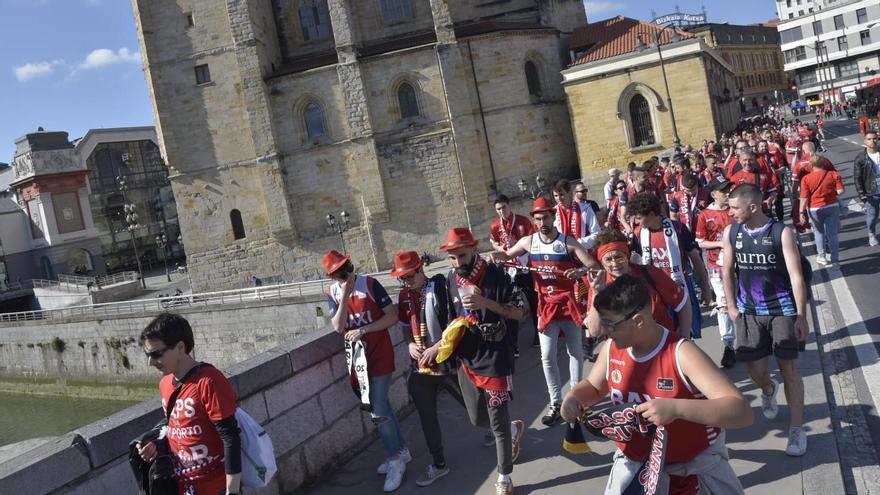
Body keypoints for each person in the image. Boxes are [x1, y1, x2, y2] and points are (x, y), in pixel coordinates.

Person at [561, 275, 753, 495]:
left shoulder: (681, 352)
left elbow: (741, 411)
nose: (603, 330)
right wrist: (574, 397)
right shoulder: (611, 349)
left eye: (610, 324)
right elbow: (594, 387)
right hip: (634, 466)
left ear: (638, 320)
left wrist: (676, 408)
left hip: (691, 469)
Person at [494, 197, 599, 426]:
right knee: (547, 357)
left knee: (575, 353)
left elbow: (592, 264)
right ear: (534, 220)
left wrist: (579, 271)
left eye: (546, 217)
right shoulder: (528, 242)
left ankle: (575, 398)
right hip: (546, 307)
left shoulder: (568, 242)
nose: (543, 221)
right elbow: (506, 256)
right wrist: (493, 257)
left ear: (553, 217)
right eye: (538, 218)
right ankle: (556, 401)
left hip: (568, 305)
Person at [722, 184, 809, 456]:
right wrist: (732, 307)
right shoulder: (731, 232)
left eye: (734, 208)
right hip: (748, 312)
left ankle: (796, 430)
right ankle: (769, 390)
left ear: (753, 207)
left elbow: (796, 276)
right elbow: (727, 272)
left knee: (789, 370)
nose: (730, 212)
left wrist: (801, 316)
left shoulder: (780, 232)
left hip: (781, 309)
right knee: (755, 371)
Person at [438, 228, 525, 495]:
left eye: (461, 256)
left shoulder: (498, 275)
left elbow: (520, 312)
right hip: (468, 358)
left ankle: (505, 478)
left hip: (496, 358)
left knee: (497, 425)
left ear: (474, 250)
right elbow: (452, 318)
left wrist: (484, 301)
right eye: (452, 258)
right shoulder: (451, 279)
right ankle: (511, 429)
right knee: (477, 419)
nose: (457, 263)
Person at [323, 250, 407, 492]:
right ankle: (401, 451)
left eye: (347, 267)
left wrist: (364, 329)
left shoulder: (370, 284)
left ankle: (395, 461)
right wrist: (345, 294)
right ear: (332, 276)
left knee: (377, 410)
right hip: (359, 361)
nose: (347, 273)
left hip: (379, 353)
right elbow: (338, 326)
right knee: (384, 406)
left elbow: (392, 317)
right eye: (340, 272)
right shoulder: (333, 293)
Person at [136, 313, 242, 495]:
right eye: (148, 355)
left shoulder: (209, 381)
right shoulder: (165, 384)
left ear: (180, 347)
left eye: (156, 354)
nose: (150, 362)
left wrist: (232, 491)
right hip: (182, 487)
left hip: (215, 487)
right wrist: (156, 444)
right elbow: (177, 426)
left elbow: (230, 437)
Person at [393, 251, 463, 487]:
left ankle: (503, 434)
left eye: (410, 277)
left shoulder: (440, 286)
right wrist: (410, 344)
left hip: (447, 362)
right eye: (402, 279)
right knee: (427, 418)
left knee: (473, 405)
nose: (406, 282)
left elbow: (456, 322)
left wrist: (438, 347)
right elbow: (404, 327)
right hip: (421, 368)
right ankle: (439, 463)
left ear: (421, 270)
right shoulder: (404, 296)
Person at [626, 192, 710, 339]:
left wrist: (705, 288)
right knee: (660, 335)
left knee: (685, 335)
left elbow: (696, 259)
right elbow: (633, 264)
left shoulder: (678, 229)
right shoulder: (638, 234)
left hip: (680, 286)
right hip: (655, 291)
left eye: (639, 218)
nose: (637, 222)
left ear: (652, 214)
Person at [585, 229, 691, 337]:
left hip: (660, 344)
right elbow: (594, 332)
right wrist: (596, 293)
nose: (614, 264)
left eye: (619, 257)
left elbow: (683, 302)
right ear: (601, 263)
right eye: (608, 259)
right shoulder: (599, 285)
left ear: (627, 256)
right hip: (624, 349)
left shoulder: (649, 273)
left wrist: (684, 336)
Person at [489, 195, 539, 354]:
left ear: (509, 206)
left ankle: (539, 333)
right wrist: (501, 249)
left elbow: (534, 242)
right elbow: (495, 243)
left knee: (533, 301)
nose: (502, 211)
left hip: (525, 267)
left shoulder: (523, 221)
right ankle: (513, 344)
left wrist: (517, 246)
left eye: (504, 207)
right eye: (498, 209)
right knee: (511, 305)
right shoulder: (496, 225)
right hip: (509, 269)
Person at [695, 177, 736, 367]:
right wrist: (720, 243)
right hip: (716, 266)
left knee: (741, 300)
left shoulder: (736, 210)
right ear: (713, 194)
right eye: (723, 190)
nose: (727, 192)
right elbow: (700, 242)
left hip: (740, 264)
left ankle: (747, 339)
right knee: (722, 303)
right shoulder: (705, 214)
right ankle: (728, 344)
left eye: (728, 189)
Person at [799, 155, 845, 265]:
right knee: (832, 234)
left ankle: (822, 256)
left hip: (815, 208)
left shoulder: (806, 179)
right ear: (824, 163)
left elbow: (804, 197)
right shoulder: (834, 174)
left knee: (819, 233)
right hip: (832, 206)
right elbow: (840, 191)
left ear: (811, 165)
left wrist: (801, 212)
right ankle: (835, 259)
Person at [552, 179, 600, 249]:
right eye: (555, 196)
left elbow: (597, 233)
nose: (559, 198)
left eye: (561, 194)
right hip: (563, 254)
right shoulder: (553, 212)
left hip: (583, 252)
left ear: (569, 193)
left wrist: (577, 244)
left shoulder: (585, 209)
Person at [853, 130, 880, 247]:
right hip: (871, 191)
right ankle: (871, 233)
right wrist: (862, 195)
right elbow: (857, 178)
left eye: (874, 138)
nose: (872, 141)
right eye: (869, 139)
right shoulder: (860, 158)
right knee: (872, 216)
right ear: (865, 141)